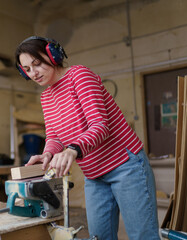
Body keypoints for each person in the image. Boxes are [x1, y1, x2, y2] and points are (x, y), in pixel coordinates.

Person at [14, 36, 160, 240]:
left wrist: (72, 149)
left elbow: (100, 126)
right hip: (94, 175)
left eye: (37, 64)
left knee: (142, 236)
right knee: (99, 237)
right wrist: (47, 154)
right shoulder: (46, 97)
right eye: (27, 69)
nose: (34, 73)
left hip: (125, 166)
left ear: (52, 55)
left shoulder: (79, 75)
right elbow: (54, 135)